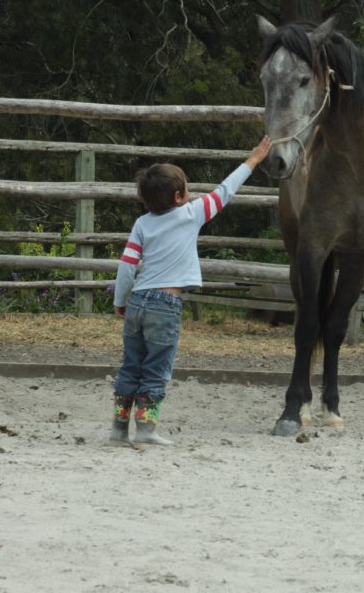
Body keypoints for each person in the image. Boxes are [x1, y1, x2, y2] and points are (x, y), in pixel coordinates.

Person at [109, 136, 272, 445]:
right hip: (166, 304)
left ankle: (118, 429)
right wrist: (254, 160)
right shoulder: (191, 214)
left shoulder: (141, 223)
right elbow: (226, 190)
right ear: (180, 196)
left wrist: (121, 299)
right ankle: (145, 430)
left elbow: (128, 265)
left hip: (139, 300)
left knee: (131, 365)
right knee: (157, 368)